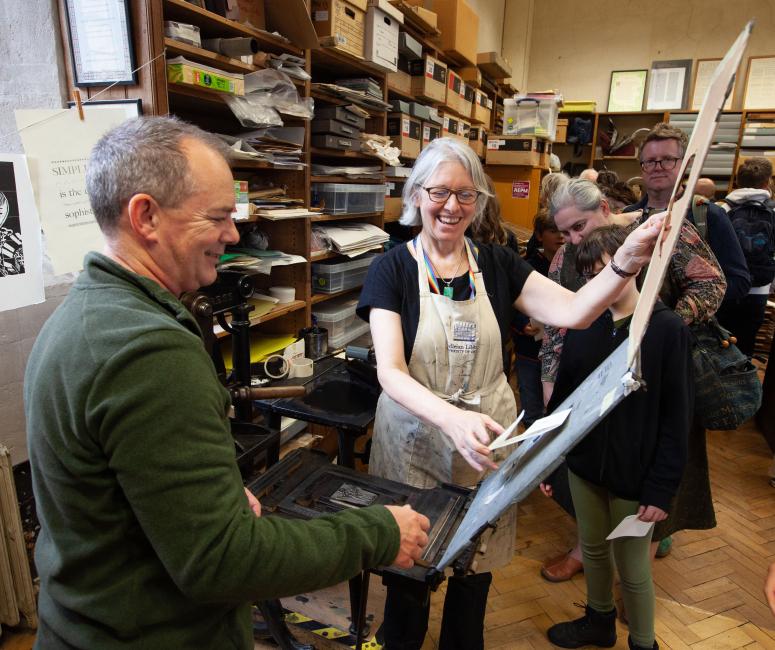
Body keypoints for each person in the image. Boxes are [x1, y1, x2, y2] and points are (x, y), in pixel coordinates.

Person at [24, 116, 431, 650]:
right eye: (218, 216)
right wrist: (377, 533)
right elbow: (221, 561)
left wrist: (203, 495)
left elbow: (117, 494)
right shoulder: (148, 350)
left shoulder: (83, 316)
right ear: (145, 215)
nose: (233, 234)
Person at [356, 137, 665, 650]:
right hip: (415, 435)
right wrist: (451, 420)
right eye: (438, 192)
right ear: (415, 194)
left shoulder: (497, 264)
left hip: (489, 438)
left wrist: (625, 261)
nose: (452, 206)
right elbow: (390, 372)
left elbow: (574, 311)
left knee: (476, 565)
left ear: (478, 201)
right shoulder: (391, 269)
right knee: (409, 562)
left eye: (465, 194)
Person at [538, 178, 726, 582]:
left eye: (579, 226)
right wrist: (551, 378)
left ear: (604, 207)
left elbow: (712, 283)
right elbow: (557, 321)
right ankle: (586, 553)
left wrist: (652, 329)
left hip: (658, 370)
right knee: (595, 473)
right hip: (594, 372)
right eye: (565, 231)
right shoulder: (566, 257)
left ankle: (641, 565)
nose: (573, 239)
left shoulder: (662, 229)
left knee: (659, 468)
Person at [543, 226, 692, 650]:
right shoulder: (585, 324)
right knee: (591, 550)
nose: (599, 282)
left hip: (635, 475)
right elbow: (568, 401)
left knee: (632, 568)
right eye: (589, 275)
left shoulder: (665, 328)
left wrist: (661, 488)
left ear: (635, 265)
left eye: (606, 270)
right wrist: (551, 461)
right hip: (586, 466)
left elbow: (676, 417)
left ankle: (643, 642)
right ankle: (598, 622)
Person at [715, 157, 775, 357]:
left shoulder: (722, 209)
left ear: (737, 182)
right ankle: (744, 383)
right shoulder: (772, 211)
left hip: (726, 287)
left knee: (719, 342)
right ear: (768, 182)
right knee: (746, 343)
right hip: (758, 289)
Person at [513, 210, 565, 427]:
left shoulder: (575, 265)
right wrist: (521, 324)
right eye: (553, 231)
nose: (560, 236)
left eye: (563, 230)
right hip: (530, 351)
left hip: (561, 351)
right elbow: (512, 302)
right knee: (532, 410)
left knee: (557, 409)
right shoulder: (526, 266)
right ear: (540, 235)